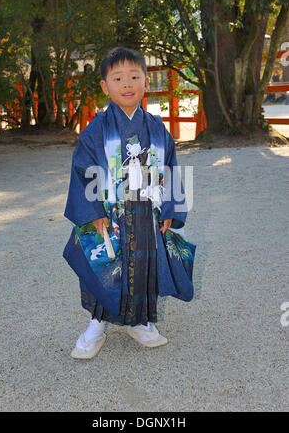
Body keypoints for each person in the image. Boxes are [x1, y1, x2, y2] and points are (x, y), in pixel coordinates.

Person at [63, 47, 196, 360]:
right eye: (118, 77)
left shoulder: (156, 127)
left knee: (144, 269)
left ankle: (139, 321)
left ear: (146, 83)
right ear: (105, 86)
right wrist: (93, 212)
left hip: (146, 214)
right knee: (106, 268)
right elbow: (82, 169)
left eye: (135, 77)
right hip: (111, 215)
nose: (127, 84)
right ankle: (96, 325)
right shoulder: (97, 129)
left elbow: (171, 168)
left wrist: (170, 209)